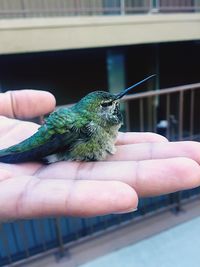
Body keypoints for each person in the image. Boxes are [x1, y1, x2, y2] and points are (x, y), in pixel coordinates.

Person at [0, 89, 200, 221]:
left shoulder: (98, 122)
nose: (114, 105)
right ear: (98, 110)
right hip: (54, 149)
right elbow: (48, 145)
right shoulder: (87, 126)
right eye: (108, 104)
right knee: (17, 152)